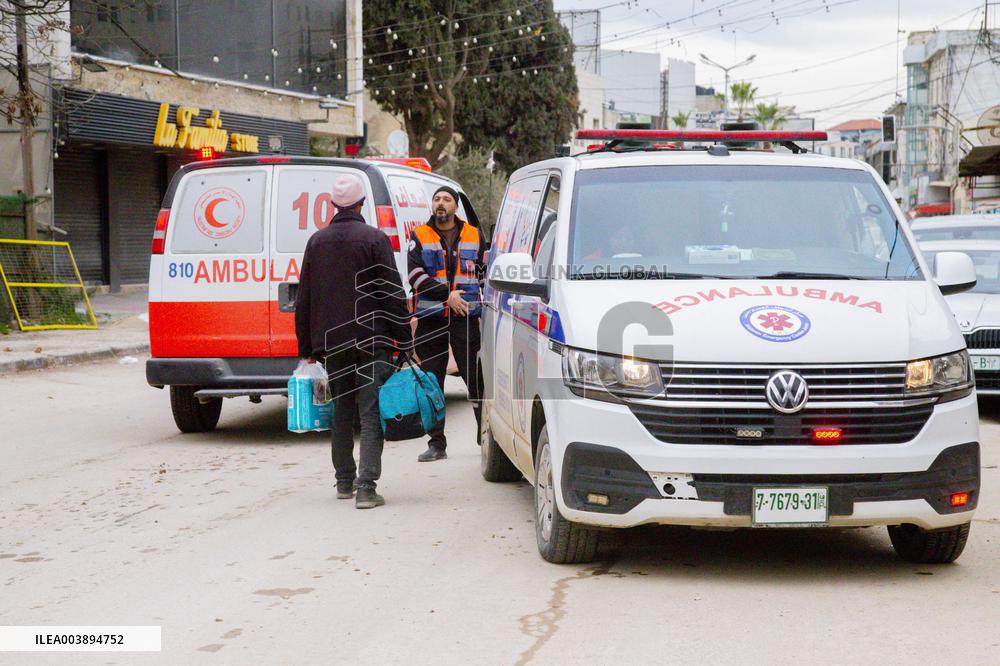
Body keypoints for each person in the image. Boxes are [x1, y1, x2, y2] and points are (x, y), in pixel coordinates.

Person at [295, 174, 412, 509]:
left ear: (334, 205)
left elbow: (305, 297)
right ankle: (367, 488)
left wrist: (307, 348)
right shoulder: (375, 239)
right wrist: (405, 338)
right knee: (371, 413)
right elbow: (392, 292)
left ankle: (344, 482)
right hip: (372, 340)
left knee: (342, 411)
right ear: (361, 204)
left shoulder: (316, 242)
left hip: (333, 344)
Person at [407, 186, 486, 462]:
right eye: (437, 199)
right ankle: (436, 443)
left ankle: (486, 437)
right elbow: (415, 276)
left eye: (446, 199)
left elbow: (483, 274)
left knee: (475, 381)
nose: (440, 203)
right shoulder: (419, 235)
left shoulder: (474, 235)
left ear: (455, 206)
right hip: (431, 319)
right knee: (432, 382)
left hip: (465, 319)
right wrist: (446, 295)